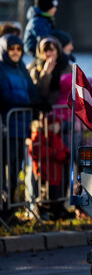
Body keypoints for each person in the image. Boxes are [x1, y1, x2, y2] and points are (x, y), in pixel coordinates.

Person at [0, 34, 40, 217]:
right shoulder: (1, 68)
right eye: (11, 49)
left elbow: (32, 91)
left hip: (22, 127)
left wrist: (38, 103)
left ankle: (11, 209)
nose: (16, 52)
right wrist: (27, 105)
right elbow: (5, 96)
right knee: (4, 170)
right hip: (7, 127)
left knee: (16, 170)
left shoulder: (22, 67)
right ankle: (3, 211)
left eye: (18, 48)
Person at [28, 115, 69, 220]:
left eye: (58, 125)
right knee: (45, 194)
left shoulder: (56, 137)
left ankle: (55, 212)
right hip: (45, 172)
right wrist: (55, 153)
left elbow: (63, 149)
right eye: (54, 125)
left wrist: (66, 155)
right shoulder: (40, 135)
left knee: (55, 194)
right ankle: (42, 211)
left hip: (56, 172)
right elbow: (37, 151)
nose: (57, 127)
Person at [28, 37, 72, 106]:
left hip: (65, 108)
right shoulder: (35, 70)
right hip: (48, 110)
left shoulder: (66, 66)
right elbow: (40, 93)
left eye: (51, 50)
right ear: (40, 53)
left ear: (58, 50)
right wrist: (46, 73)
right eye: (45, 50)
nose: (48, 53)